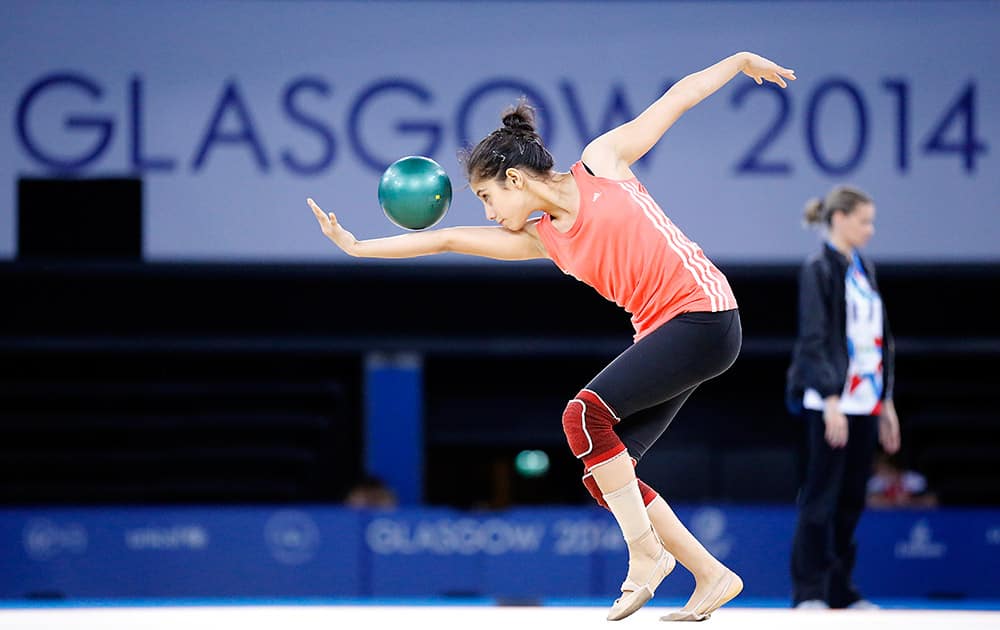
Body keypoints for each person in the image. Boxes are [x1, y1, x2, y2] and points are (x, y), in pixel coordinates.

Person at [310, 51, 796, 621]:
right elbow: (446, 241)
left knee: (582, 417)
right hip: (668, 334)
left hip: (705, 315)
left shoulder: (602, 163)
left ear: (514, 179)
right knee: (607, 470)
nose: (488, 214)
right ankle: (710, 574)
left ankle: (647, 555)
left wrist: (736, 62)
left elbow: (677, 99)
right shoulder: (544, 239)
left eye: (488, 198)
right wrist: (360, 247)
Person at [785, 185, 902, 610]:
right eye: (864, 221)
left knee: (852, 498)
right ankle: (809, 590)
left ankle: (839, 589)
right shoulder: (819, 268)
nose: (870, 230)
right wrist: (831, 398)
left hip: (865, 399)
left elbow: (878, 339)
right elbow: (814, 338)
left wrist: (886, 401)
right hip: (830, 402)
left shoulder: (863, 268)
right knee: (821, 495)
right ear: (839, 219)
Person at [866, 452, 937, 509]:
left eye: (883, 470)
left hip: (913, 515)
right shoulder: (876, 481)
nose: (879, 473)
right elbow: (870, 501)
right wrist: (893, 501)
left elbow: (931, 500)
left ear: (893, 469)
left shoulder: (915, 479)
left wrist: (910, 501)